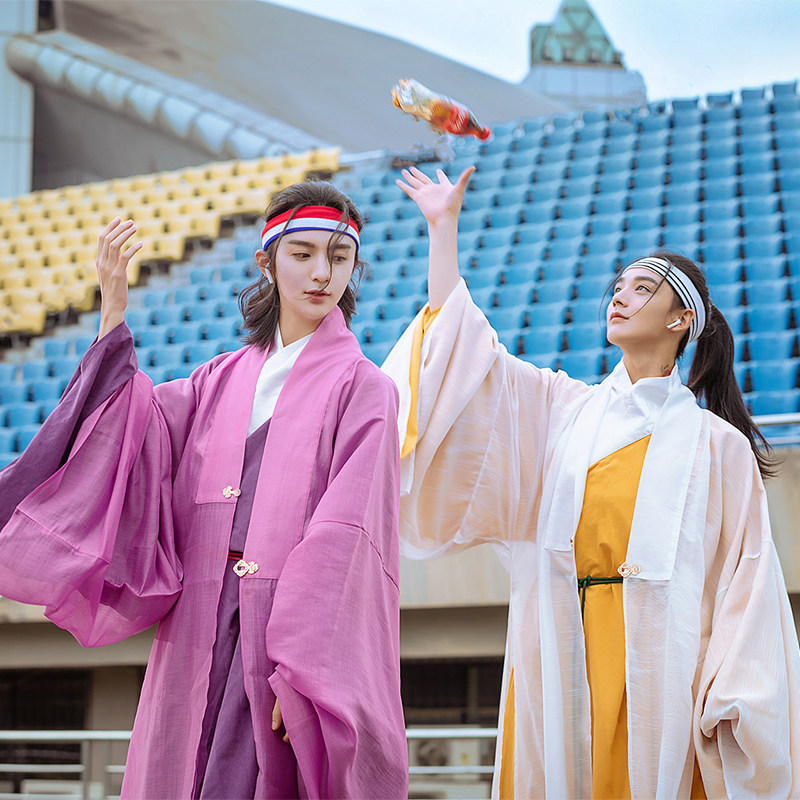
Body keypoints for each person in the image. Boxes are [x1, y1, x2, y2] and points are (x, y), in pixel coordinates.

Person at [382, 165, 800, 799]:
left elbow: (747, 588)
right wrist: (444, 230)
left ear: (680, 320)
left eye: (643, 287)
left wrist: (735, 697)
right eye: (618, 285)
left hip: (663, 669)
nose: (620, 295)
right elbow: (469, 363)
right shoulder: (563, 412)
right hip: (559, 652)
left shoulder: (719, 447)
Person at [0, 181, 409, 800]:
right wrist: (114, 309)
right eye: (302, 254)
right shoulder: (214, 380)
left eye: (338, 256)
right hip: (199, 613)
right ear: (266, 262)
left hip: (285, 631)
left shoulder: (365, 388)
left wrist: (307, 673)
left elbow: (347, 539)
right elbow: (129, 434)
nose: (322, 273)